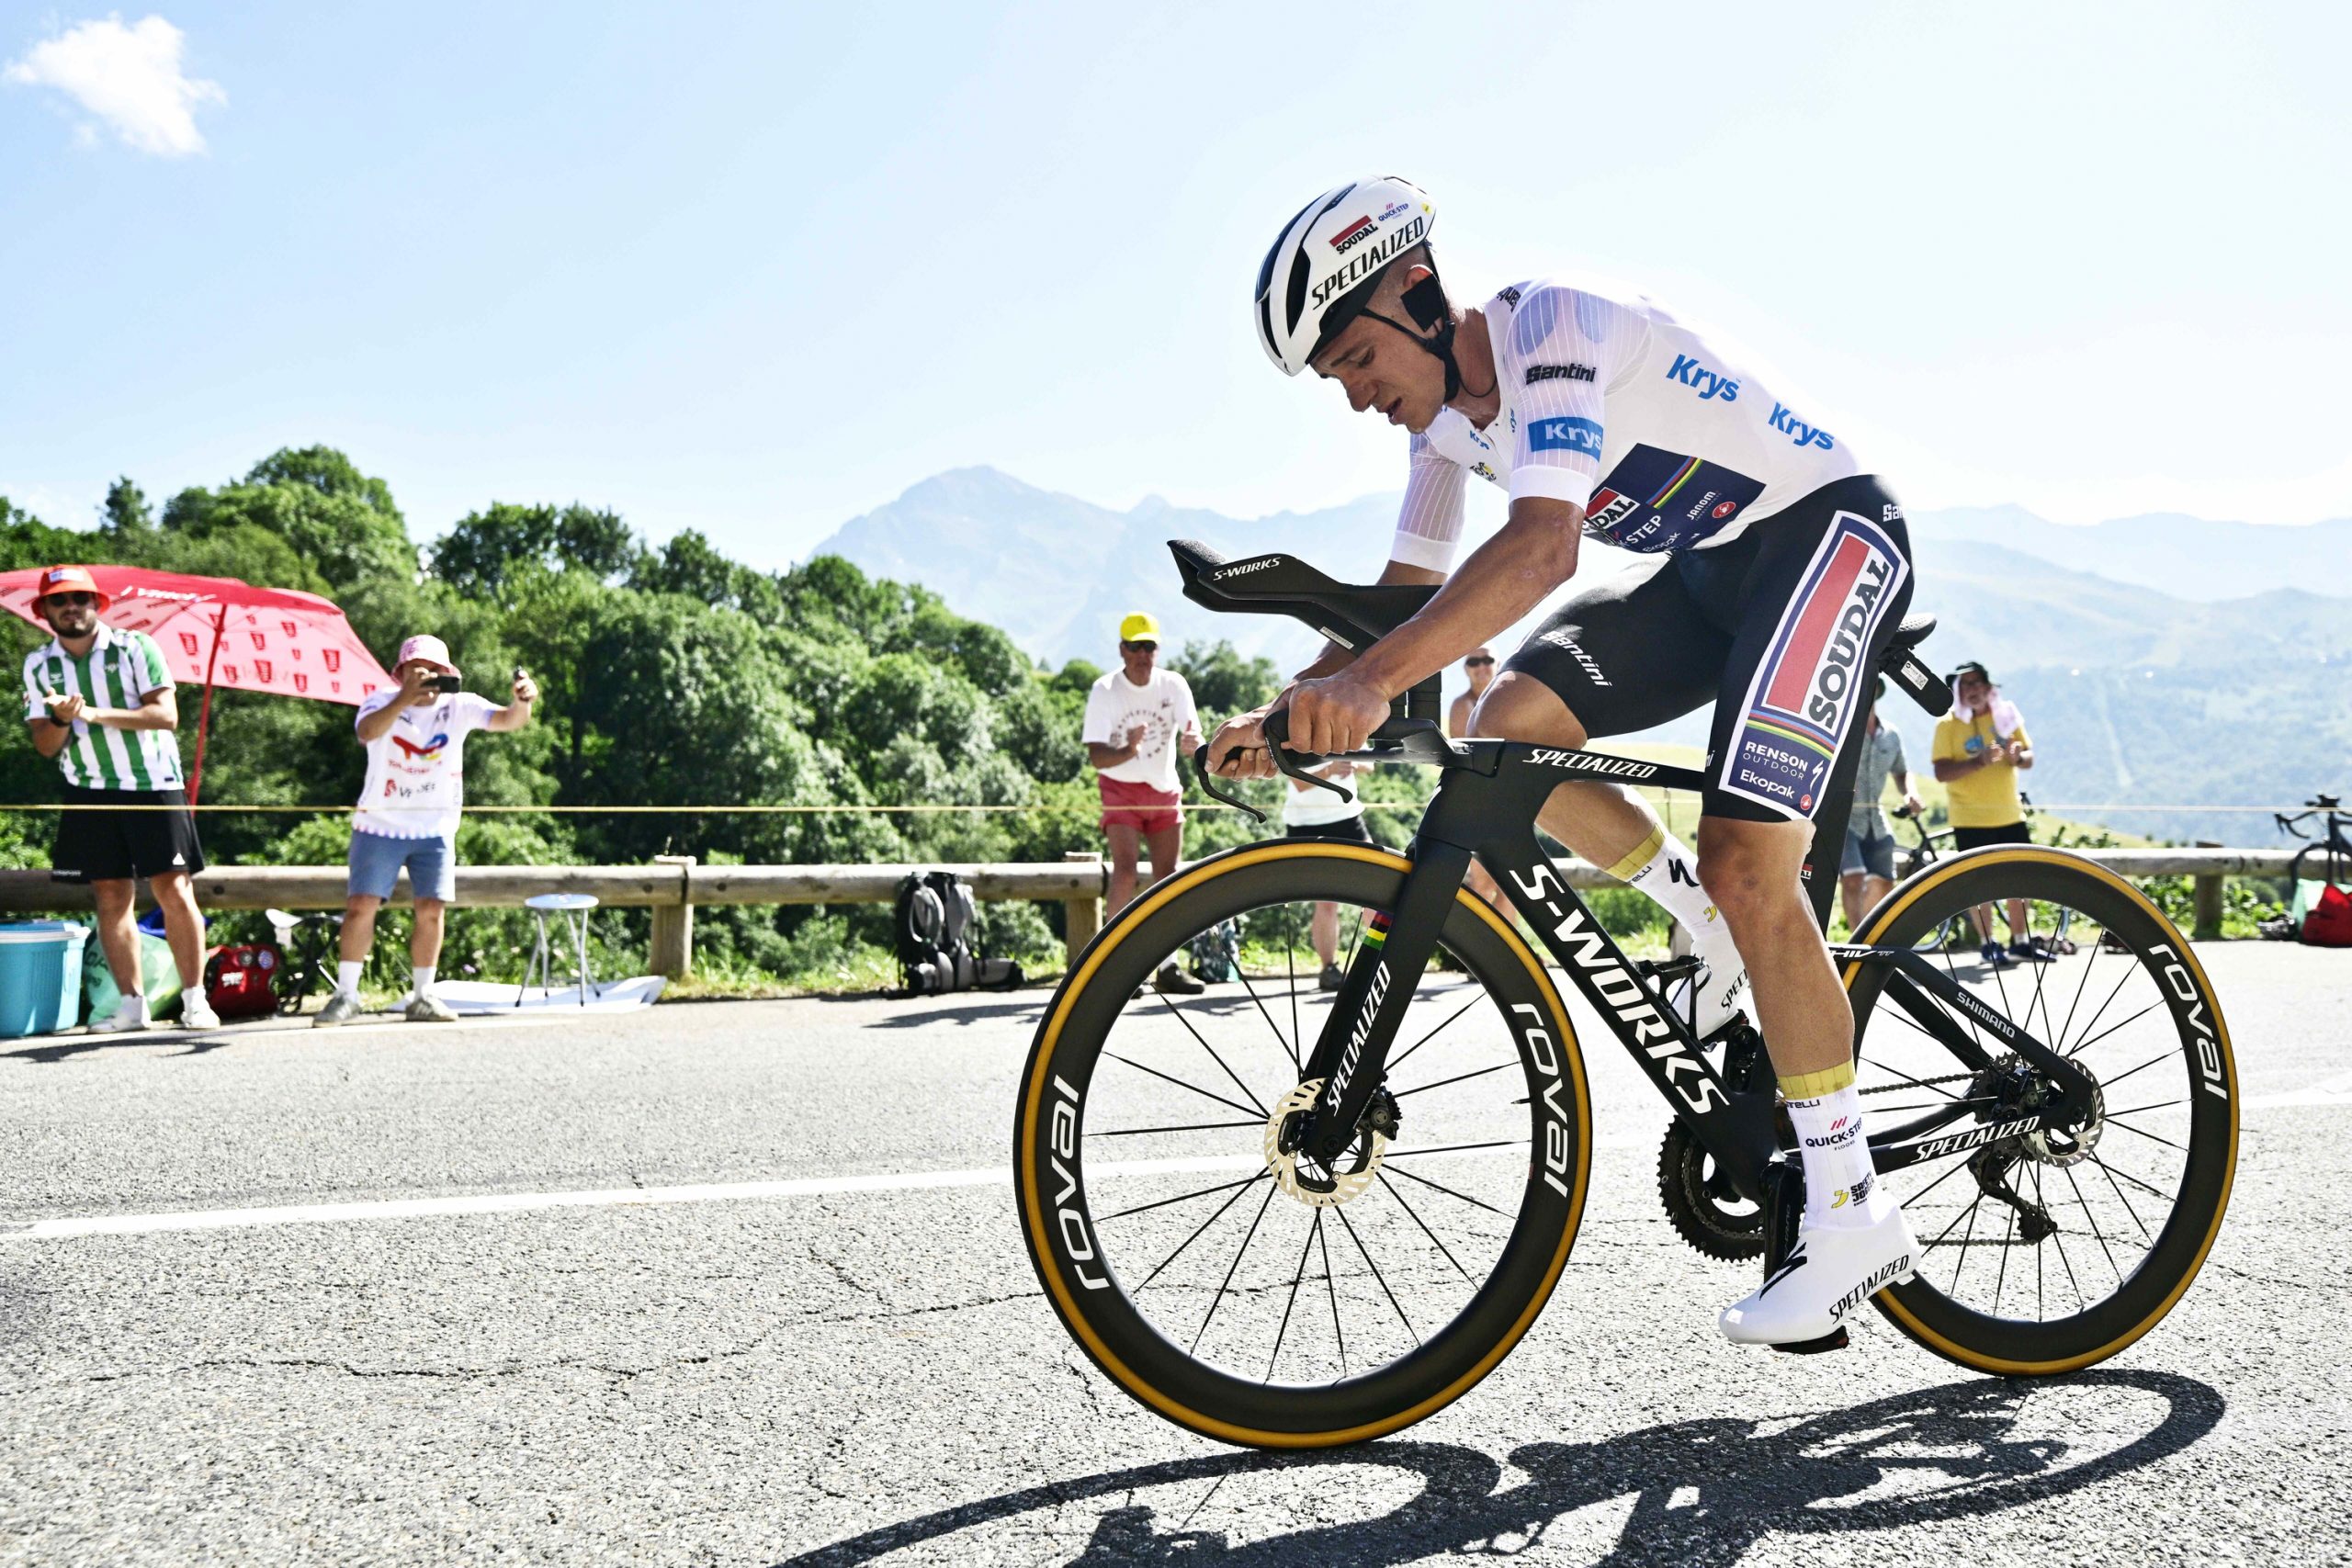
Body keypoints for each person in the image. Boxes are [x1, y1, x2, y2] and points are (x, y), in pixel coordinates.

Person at [1214, 177, 1917, 1348]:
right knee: (1506, 731)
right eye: (1335, 377)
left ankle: (1848, 1212)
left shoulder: (1555, 325)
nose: (1354, 397)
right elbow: (1404, 601)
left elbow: (1544, 547)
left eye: (1352, 357)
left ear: (1414, 292)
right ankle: (1692, 916)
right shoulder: (1445, 429)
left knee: (1755, 862)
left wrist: (1369, 684)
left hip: (1828, 533)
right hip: (1707, 574)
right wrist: (1292, 701)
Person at [19, 566, 218, 1032]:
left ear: (97, 605)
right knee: (109, 895)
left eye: (81, 598)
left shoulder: (135, 646)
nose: (72, 608)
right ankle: (132, 1005)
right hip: (88, 789)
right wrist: (65, 721)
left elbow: (165, 715)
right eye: (60, 601)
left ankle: (195, 1000)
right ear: (45, 610)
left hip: (152, 783)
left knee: (173, 889)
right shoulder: (38, 665)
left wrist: (90, 712)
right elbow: (46, 746)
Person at [313, 636, 537, 1026]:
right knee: (361, 906)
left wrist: (523, 701)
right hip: (378, 824)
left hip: (435, 826)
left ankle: (423, 995)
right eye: (419, 669)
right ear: (400, 673)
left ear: (448, 674)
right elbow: (366, 732)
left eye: (436, 670)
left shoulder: (460, 705)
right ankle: (347, 994)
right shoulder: (380, 700)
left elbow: (509, 721)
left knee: (431, 909)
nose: (429, 677)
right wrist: (404, 698)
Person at [1082, 614, 1204, 994]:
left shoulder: (1174, 684)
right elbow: (1098, 758)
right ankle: (1115, 966)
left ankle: (1168, 966)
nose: (1142, 654)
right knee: (1125, 873)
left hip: (1164, 788)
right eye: (1134, 646)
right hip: (1120, 790)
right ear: (1122, 650)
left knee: (1167, 876)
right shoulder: (1105, 690)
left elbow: (1193, 733)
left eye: (1148, 646)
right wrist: (1129, 749)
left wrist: (1193, 744)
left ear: (1157, 650)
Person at [1931, 660, 2048, 966]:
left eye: (1977, 683)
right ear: (1957, 690)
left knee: (2019, 880)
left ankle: (2021, 941)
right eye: (1965, 684)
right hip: (1969, 818)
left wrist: (2017, 756)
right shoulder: (1947, 724)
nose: (1973, 690)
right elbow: (1941, 771)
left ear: (1988, 687)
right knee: (1979, 885)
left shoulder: (2005, 715)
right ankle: (1987, 943)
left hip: (2010, 813)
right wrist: (1977, 762)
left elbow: (2029, 757)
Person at [1838, 679, 1923, 932]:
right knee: (1853, 877)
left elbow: (1901, 772)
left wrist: (1911, 793)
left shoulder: (1891, 735)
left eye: (1871, 688)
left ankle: (1872, 935)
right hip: (1844, 819)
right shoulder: (1844, 732)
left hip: (1876, 817)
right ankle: (1856, 944)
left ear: (1877, 692)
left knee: (1886, 881)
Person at [1281, 758, 1367, 990]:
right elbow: (1297, 782)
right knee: (1326, 903)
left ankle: (1387, 959)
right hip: (1306, 824)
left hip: (1348, 818)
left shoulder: (1351, 722)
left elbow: (1371, 764)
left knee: (1377, 894)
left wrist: (1355, 765)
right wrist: (1329, 770)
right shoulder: (1293, 729)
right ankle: (1329, 968)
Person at [1445, 647, 1510, 914]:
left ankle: (1505, 953)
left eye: (1487, 660)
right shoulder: (1462, 706)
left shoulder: (1508, 703)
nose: (1481, 666)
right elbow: (1465, 760)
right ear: (1466, 668)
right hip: (1478, 803)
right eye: (1474, 661)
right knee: (1482, 884)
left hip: (1509, 801)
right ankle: (1477, 950)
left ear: (1498, 663)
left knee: (1511, 888)